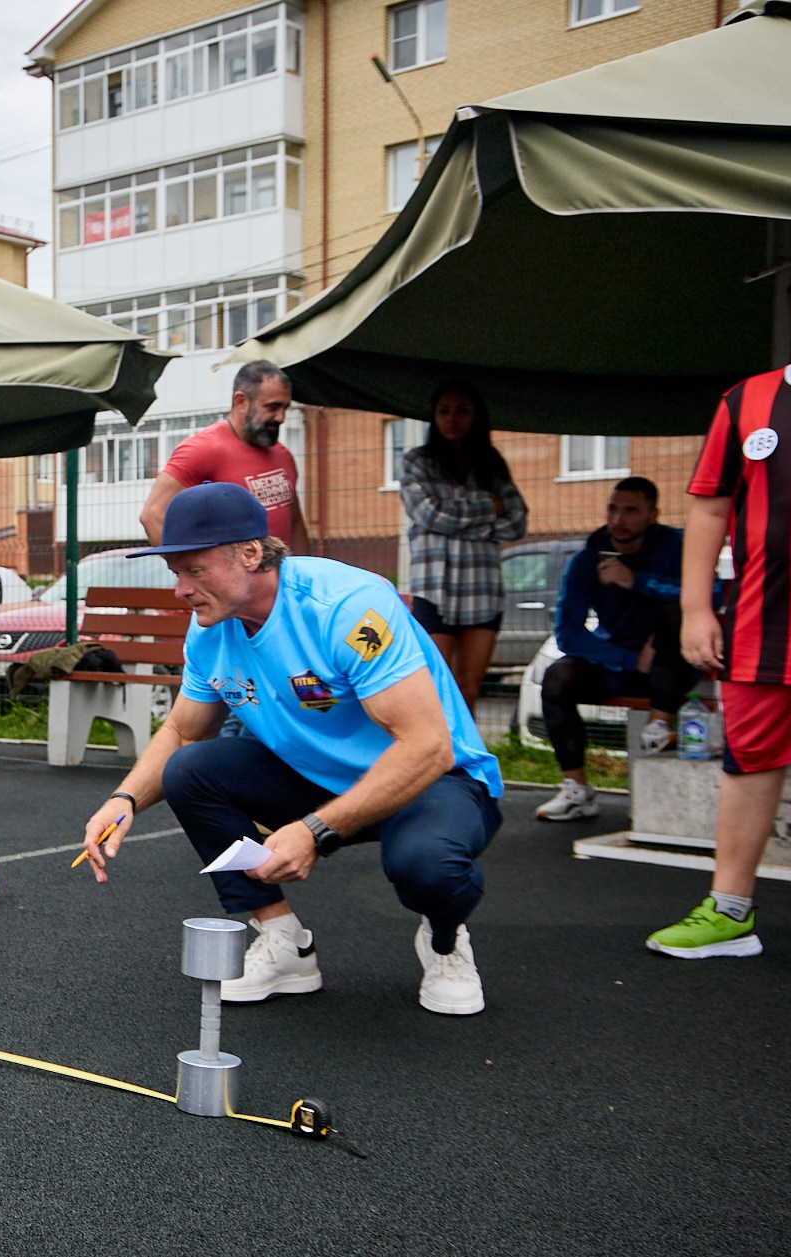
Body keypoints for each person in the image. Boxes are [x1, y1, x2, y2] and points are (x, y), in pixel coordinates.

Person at [79, 482, 504, 1016]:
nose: (181, 590)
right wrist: (124, 800)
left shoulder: (348, 607)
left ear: (251, 554)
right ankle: (286, 944)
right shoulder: (209, 630)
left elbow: (427, 747)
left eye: (194, 570)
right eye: (175, 573)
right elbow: (185, 732)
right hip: (317, 777)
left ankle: (445, 942)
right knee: (192, 769)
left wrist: (315, 831)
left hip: (431, 780)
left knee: (428, 868)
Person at [648, 251, 791, 960]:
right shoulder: (747, 401)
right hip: (770, 621)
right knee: (749, 760)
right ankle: (730, 910)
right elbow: (709, 507)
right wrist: (696, 608)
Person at [534, 478, 693, 821]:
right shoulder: (587, 560)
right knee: (557, 677)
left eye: (631, 511)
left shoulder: (676, 548)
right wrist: (631, 659)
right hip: (621, 665)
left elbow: (710, 598)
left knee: (675, 607)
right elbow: (568, 633)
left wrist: (635, 581)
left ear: (653, 515)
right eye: (613, 509)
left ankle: (660, 726)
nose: (618, 519)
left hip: (677, 666)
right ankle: (576, 790)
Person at [399, 380, 528, 709]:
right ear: (434, 417)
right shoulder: (417, 461)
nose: (452, 419)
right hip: (435, 590)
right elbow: (430, 515)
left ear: (476, 417)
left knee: (468, 689)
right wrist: (488, 510)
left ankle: (465, 761)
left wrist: (457, 514)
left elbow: (517, 522)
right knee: (437, 689)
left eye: (462, 411)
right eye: (443, 411)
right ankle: (436, 759)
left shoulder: (491, 464)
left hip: (483, 590)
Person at [140, 360, 309, 551]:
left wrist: (304, 571)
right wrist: (191, 570)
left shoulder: (283, 455)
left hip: (278, 578)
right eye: (272, 407)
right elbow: (153, 515)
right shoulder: (203, 450)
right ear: (241, 401)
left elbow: (295, 522)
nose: (281, 418)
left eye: (285, 408)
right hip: (228, 579)